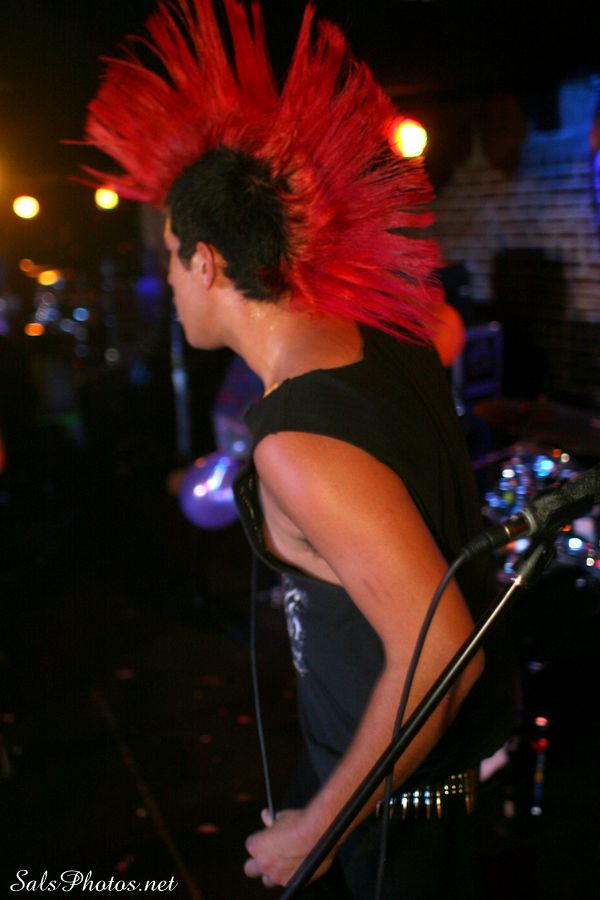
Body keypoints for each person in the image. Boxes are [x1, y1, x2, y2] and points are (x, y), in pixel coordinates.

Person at [81, 2, 515, 896]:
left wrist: (316, 829)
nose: (169, 284)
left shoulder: (296, 443)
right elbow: (442, 327)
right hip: (413, 791)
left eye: (171, 258)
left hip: (397, 823)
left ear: (207, 262)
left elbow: (445, 652)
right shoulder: (391, 336)